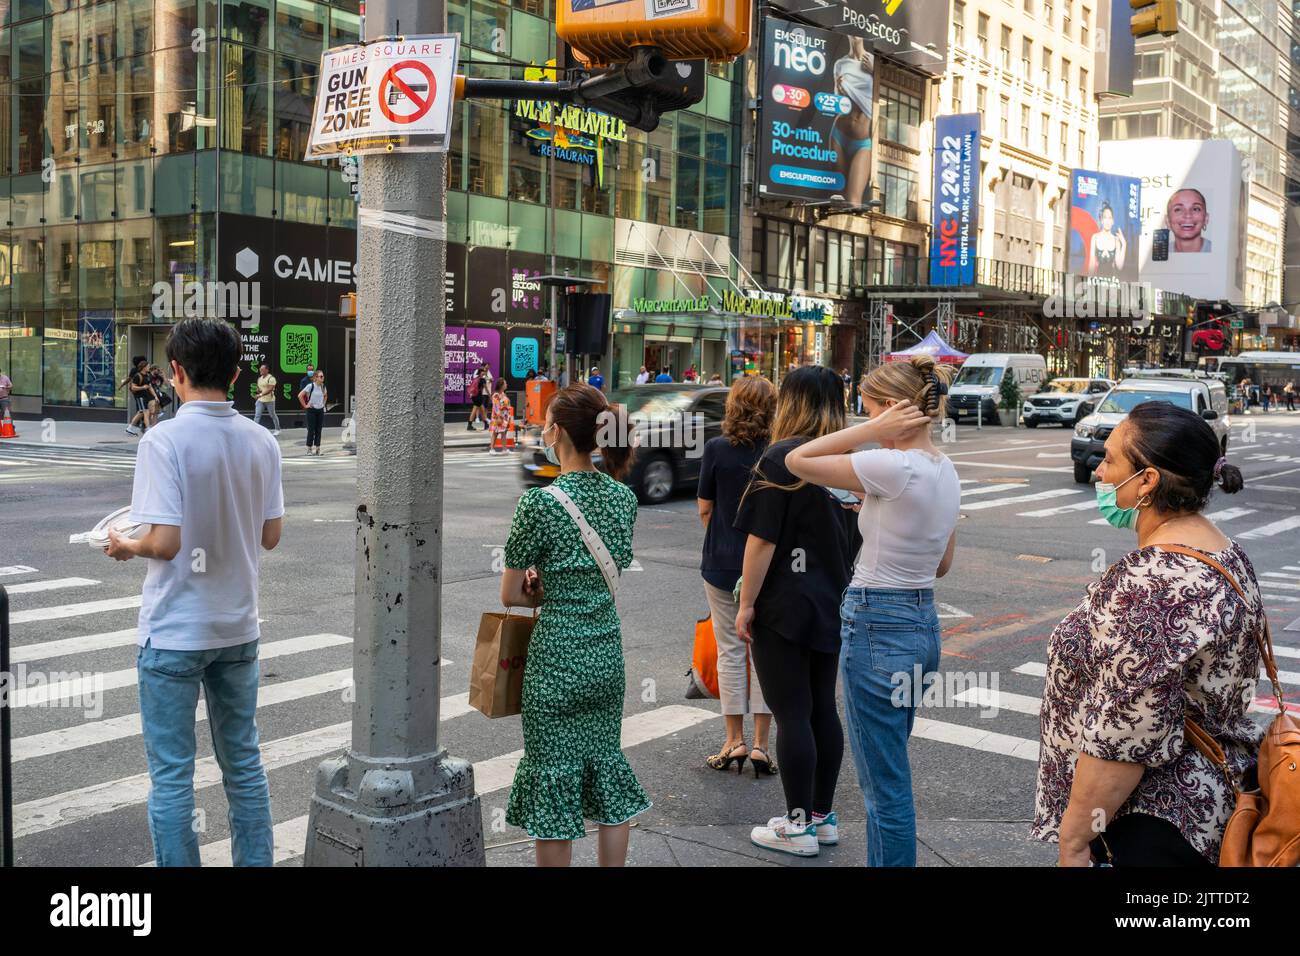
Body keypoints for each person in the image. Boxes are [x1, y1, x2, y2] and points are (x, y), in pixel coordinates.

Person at [1032, 402, 1262, 866]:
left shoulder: (1151, 582)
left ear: (1147, 481)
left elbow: (1124, 738)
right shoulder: (1224, 550)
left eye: (1111, 459)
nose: (1098, 471)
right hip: (1214, 805)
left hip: (1154, 822)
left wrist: (1075, 841)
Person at [103, 317, 283, 867]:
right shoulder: (262, 440)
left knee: (173, 777)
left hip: (175, 631)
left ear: (176, 371)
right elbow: (270, 536)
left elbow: (165, 541)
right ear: (235, 373)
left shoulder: (164, 440)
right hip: (237, 628)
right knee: (244, 766)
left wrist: (125, 545)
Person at [786, 356, 958, 866]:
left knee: (884, 789)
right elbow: (942, 562)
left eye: (869, 410)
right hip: (922, 623)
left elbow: (796, 459)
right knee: (890, 765)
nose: (868, 425)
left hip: (877, 622)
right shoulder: (943, 468)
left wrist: (870, 431)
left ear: (891, 411)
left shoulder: (892, 464)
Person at [500, 383, 648, 866]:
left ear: (557, 431)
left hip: (556, 661)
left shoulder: (539, 504)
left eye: (544, 421)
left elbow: (510, 594)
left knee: (552, 778)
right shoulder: (622, 499)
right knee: (607, 770)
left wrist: (539, 585)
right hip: (606, 654)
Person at [733, 366, 859, 858]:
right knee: (822, 709)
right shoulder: (846, 461)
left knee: (792, 715)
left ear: (792, 402)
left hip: (784, 605)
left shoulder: (783, 457)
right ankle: (822, 817)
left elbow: (761, 541)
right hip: (833, 600)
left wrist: (746, 605)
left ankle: (798, 825)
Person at [696, 376, 778, 777]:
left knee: (730, 650)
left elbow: (705, 508)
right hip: (768, 568)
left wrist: (722, 535)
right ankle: (763, 745)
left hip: (721, 561)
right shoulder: (778, 453)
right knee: (764, 652)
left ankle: (734, 741)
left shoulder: (716, 448)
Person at [831, 36, 874, 206]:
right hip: (838, 135)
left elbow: (879, 95)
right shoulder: (840, 64)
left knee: (854, 200)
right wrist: (839, 90)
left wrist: (874, 71)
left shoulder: (873, 61)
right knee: (839, 195)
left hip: (862, 142)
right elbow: (836, 100)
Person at [1086, 203, 1127, 278]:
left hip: (1112, 282)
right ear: (1101, 220)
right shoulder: (1095, 237)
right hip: (1097, 280)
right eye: (1105, 217)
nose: (1107, 221)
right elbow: (1092, 263)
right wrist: (1088, 281)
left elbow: (1119, 266)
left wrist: (1124, 244)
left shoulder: (1116, 240)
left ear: (1113, 221)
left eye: (1110, 218)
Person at [1167, 188, 1211, 253]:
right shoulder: (1160, 253)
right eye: (1178, 209)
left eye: (1195, 209)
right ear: (1167, 221)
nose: (1188, 215)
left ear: (1206, 218)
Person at [299, 369, 327, 456]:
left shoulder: (323, 386)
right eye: (321, 376)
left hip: (320, 410)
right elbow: (300, 395)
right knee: (311, 430)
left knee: (319, 429)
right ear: (316, 377)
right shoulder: (310, 386)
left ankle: (318, 449)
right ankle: (309, 449)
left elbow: (325, 395)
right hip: (311, 410)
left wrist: (323, 404)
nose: (322, 378)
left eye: (323, 376)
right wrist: (305, 405)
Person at [126, 356, 152, 436]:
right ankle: (148, 430)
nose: (149, 367)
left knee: (141, 412)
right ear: (143, 367)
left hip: (145, 396)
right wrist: (142, 387)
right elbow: (133, 387)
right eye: (148, 366)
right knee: (145, 412)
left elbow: (149, 386)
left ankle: (130, 428)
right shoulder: (137, 376)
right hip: (140, 397)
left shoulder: (147, 375)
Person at [487, 377, 513, 454]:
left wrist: (508, 416)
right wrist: (499, 417)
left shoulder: (502, 394)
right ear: (501, 385)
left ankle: (504, 449)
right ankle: (492, 449)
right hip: (498, 417)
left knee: (503, 432)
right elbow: (496, 407)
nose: (506, 384)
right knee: (495, 432)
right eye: (505, 383)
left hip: (504, 416)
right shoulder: (496, 395)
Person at [253, 364, 280, 435]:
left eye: (262, 369)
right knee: (257, 415)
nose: (260, 370)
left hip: (270, 401)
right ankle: (254, 431)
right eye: (260, 369)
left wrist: (260, 394)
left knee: (273, 415)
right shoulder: (259, 379)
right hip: (260, 401)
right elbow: (259, 389)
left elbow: (270, 389)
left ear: (267, 370)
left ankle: (277, 429)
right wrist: (258, 391)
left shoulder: (271, 378)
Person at [468, 364, 492, 431]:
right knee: (478, 410)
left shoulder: (476, 378)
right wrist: (490, 396)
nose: (484, 372)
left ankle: (485, 424)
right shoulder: (482, 379)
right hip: (478, 397)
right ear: (481, 372)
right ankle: (470, 425)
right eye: (483, 371)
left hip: (474, 396)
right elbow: (486, 389)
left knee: (481, 410)